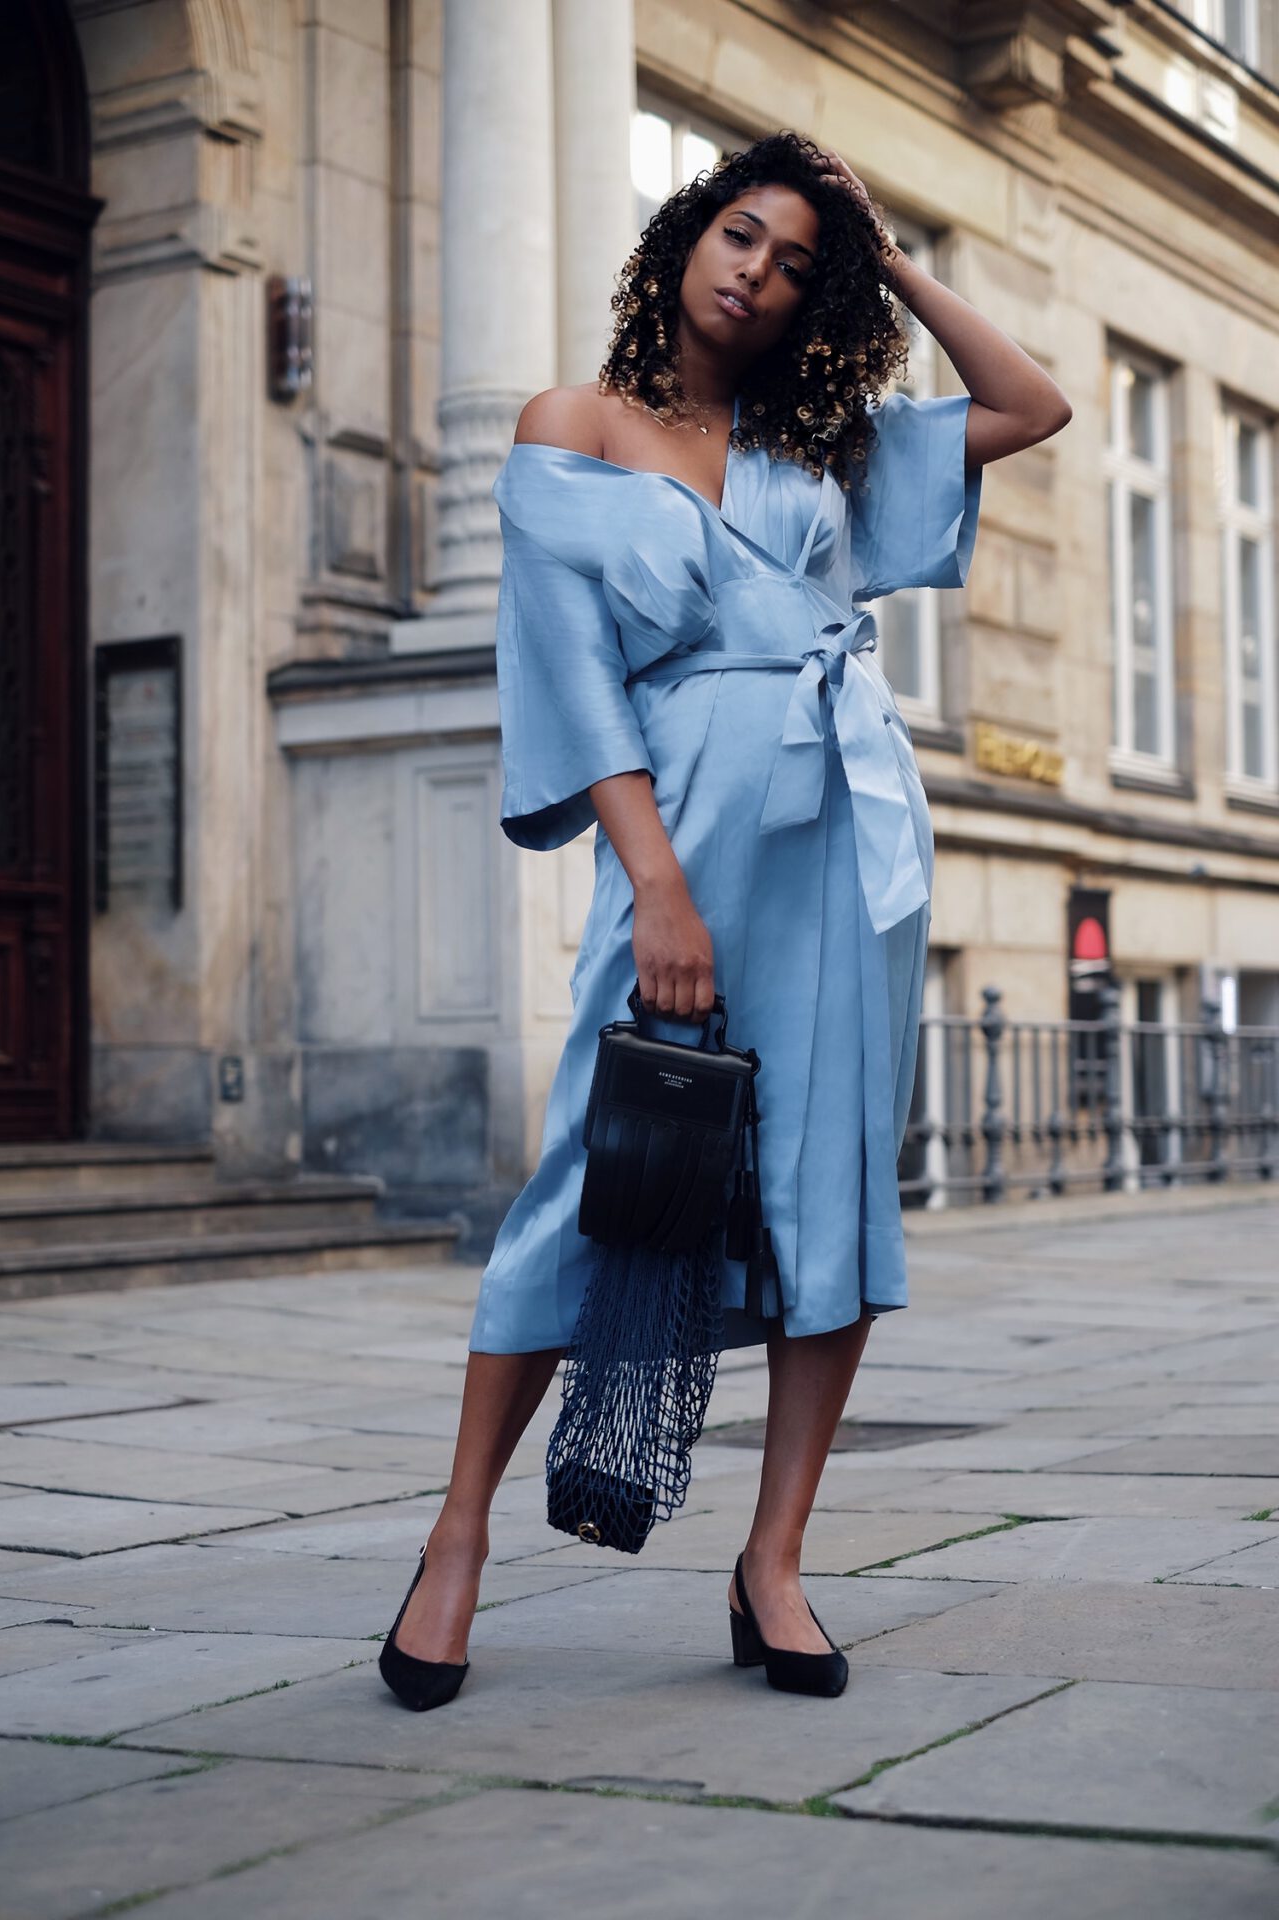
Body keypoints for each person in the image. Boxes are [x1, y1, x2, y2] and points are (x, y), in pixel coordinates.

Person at [378, 130, 1071, 1711]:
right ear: (684, 236)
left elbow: (1034, 405)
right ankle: (460, 1535)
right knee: (594, 1171)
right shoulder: (575, 428)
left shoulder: (824, 445)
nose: (758, 273)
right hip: (682, 831)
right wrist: (659, 885)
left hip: (850, 839)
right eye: (742, 236)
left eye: (795, 266)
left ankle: (775, 1564)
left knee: (828, 1189)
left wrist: (887, 252)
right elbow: (571, 677)